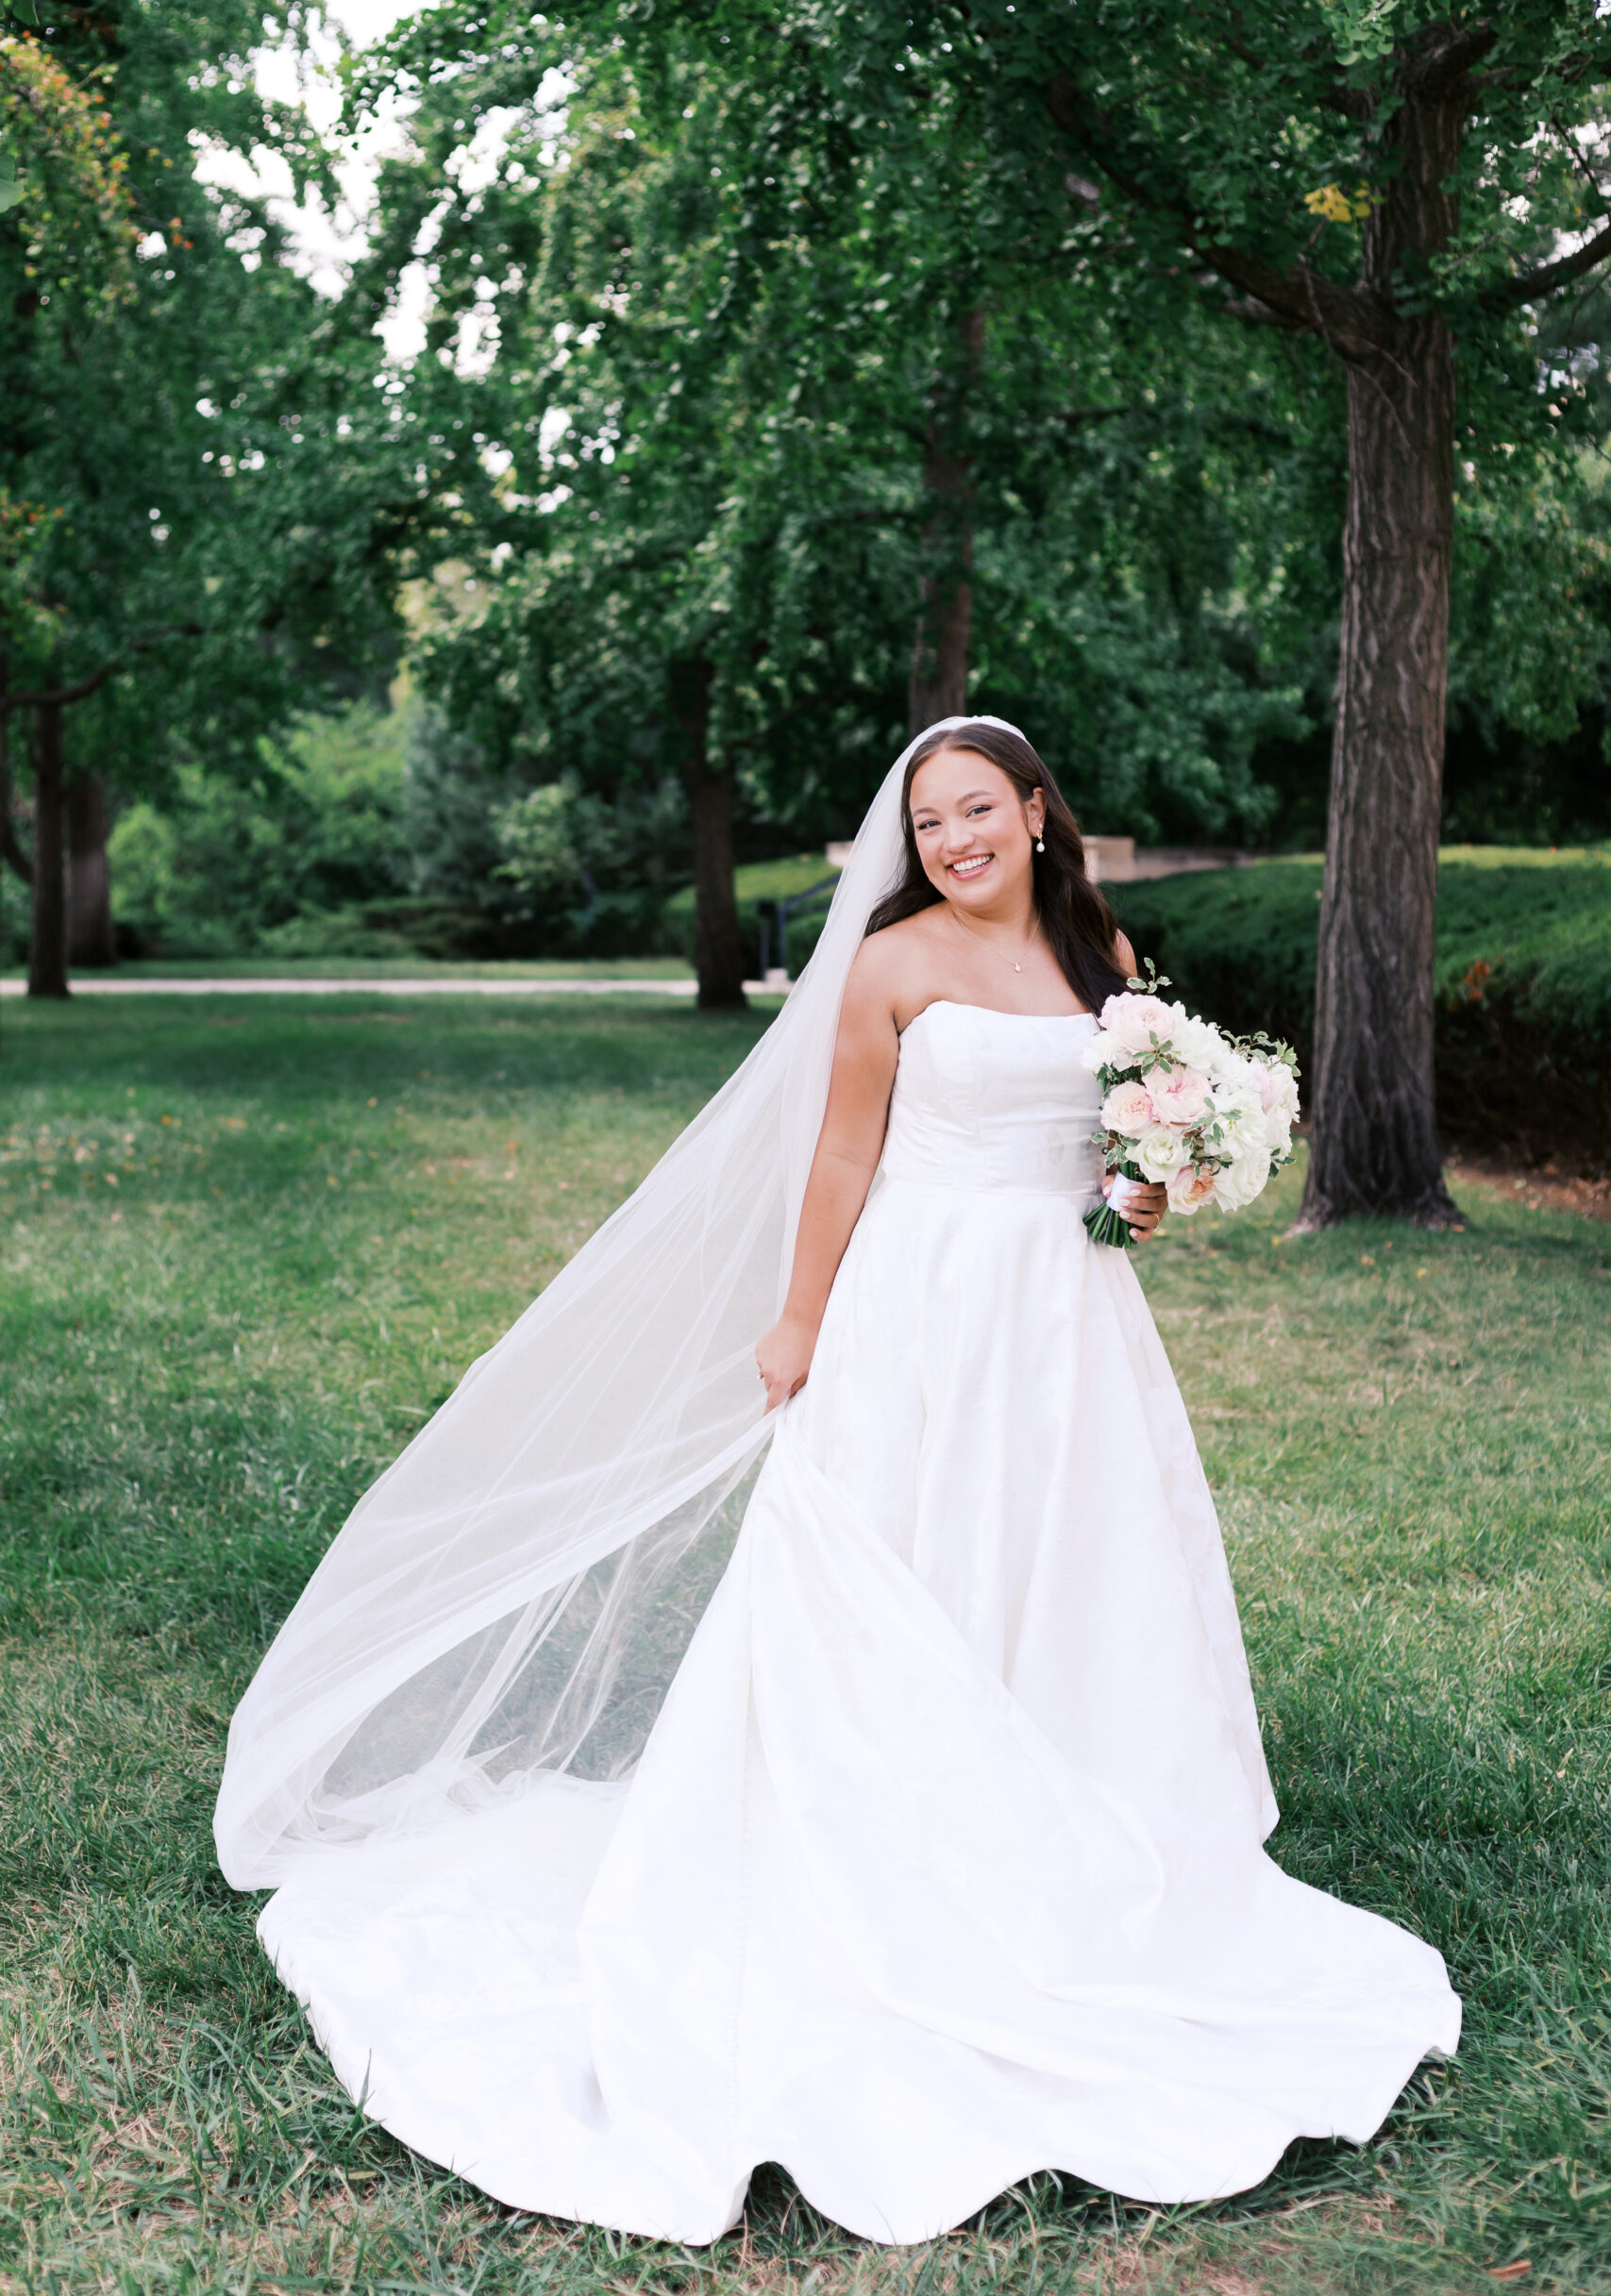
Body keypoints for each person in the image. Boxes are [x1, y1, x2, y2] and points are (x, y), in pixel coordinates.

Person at [216, 718, 1459, 2248]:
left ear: (1036, 812)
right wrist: (800, 1317)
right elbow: (839, 1159)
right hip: (918, 1311)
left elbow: (1112, 1159)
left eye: (978, 812)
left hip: (1062, 1327)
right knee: (897, 1576)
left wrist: (1151, 1185)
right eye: (931, 821)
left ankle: (1073, 1842)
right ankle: (884, 1861)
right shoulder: (888, 963)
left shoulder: (1101, 946)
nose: (955, 840)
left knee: (1066, 1569)